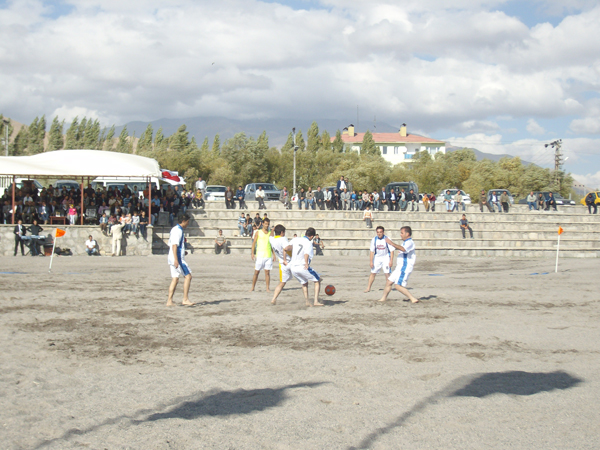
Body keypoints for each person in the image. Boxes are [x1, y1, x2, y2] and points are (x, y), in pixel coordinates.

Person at [378, 226, 419, 303]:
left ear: (407, 234)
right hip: (399, 267)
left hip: (404, 267)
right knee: (389, 282)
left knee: (398, 286)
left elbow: (403, 249)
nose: (400, 234)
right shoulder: (405, 242)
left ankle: (413, 298)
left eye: (402, 233)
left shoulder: (409, 242)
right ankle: (383, 298)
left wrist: (391, 243)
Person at [288, 227, 323, 306]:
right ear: (312, 236)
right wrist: (306, 263)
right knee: (317, 280)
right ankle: (316, 301)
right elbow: (306, 253)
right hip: (302, 266)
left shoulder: (295, 239)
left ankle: (307, 301)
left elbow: (287, 248)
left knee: (304, 283)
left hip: (293, 267)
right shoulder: (308, 243)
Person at [166, 214, 195, 306]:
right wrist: (176, 259)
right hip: (177, 258)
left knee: (175, 279)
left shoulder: (174, 229)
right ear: (183, 221)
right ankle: (185, 299)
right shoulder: (178, 231)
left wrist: (183, 252)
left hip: (173, 257)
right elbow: (174, 245)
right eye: (187, 221)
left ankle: (169, 301)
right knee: (188, 276)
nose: (188, 223)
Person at [364, 226, 394, 293]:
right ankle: (368, 288)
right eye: (378, 232)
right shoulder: (374, 240)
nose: (379, 233)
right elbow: (372, 252)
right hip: (377, 257)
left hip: (386, 257)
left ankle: (388, 287)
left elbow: (392, 251)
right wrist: (371, 262)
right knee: (373, 273)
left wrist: (391, 261)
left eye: (380, 232)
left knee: (387, 273)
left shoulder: (387, 239)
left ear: (383, 232)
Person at [269, 224, 292, 305]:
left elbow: (271, 235)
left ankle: (274, 299)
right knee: (304, 279)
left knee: (282, 283)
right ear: (282, 232)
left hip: (282, 264)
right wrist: (293, 246)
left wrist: (272, 230)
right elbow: (287, 248)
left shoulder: (272, 239)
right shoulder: (283, 239)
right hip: (290, 261)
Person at [250, 217, 272, 292]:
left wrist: (274, 254)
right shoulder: (258, 232)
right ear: (262, 224)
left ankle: (267, 288)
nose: (267, 225)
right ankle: (253, 287)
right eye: (265, 224)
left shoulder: (270, 233)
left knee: (267, 273)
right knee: (256, 272)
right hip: (260, 255)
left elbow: (271, 244)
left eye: (268, 224)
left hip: (268, 255)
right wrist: (252, 253)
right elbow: (254, 243)